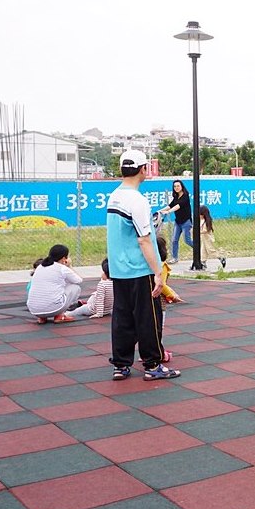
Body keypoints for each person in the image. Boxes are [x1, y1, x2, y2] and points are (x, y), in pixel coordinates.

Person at [106, 149, 180, 381]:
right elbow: (144, 239)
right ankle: (152, 365)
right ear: (142, 169)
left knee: (122, 319)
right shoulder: (137, 200)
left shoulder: (114, 196)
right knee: (148, 318)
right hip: (140, 269)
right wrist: (157, 272)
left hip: (119, 269)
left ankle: (121, 365)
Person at [27, 244, 83, 323]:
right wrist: (69, 266)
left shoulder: (40, 267)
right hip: (54, 309)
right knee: (75, 287)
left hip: (33, 310)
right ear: (64, 258)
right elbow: (79, 280)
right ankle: (60, 315)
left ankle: (42, 318)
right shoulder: (62, 268)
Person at [157, 180, 193, 264]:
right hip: (178, 222)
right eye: (175, 186)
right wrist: (159, 211)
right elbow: (170, 206)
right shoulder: (176, 197)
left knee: (187, 240)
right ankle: (175, 258)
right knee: (174, 240)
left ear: (182, 187)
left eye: (178, 186)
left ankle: (198, 250)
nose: (176, 188)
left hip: (186, 221)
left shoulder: (185, 196)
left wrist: (169, 212)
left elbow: (178, 206)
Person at [156, 236, 183, 304]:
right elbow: (162, 285)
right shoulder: (162, 266)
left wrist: (172, 292)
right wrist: (172, 296)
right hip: (158, 297)